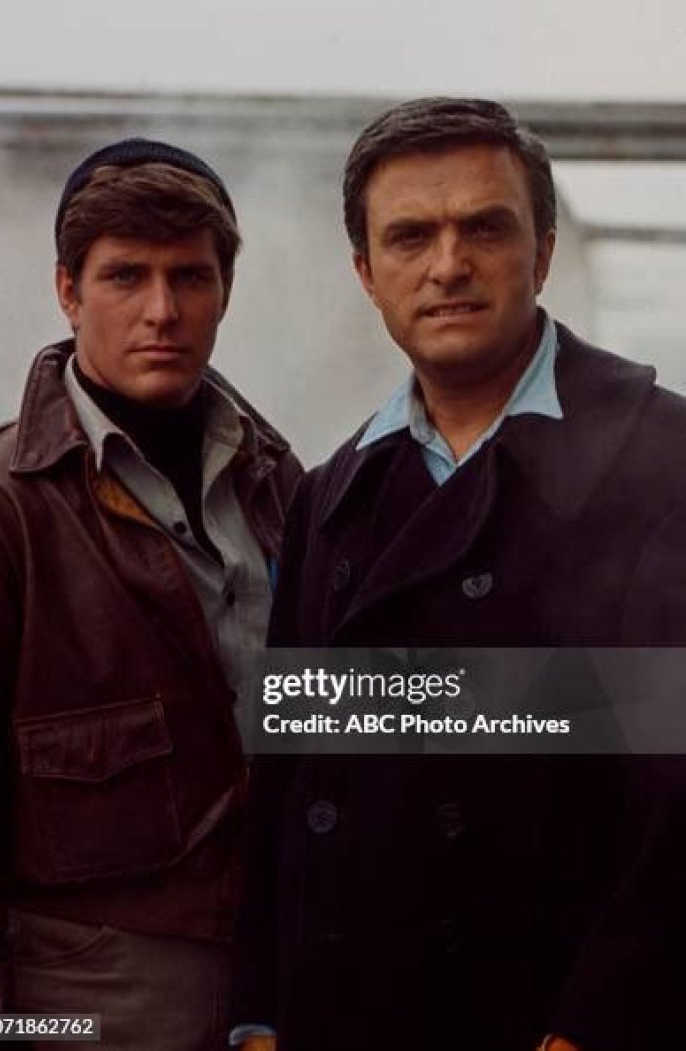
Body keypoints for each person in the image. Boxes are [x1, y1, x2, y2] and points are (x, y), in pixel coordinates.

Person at [231, 99, 686, 1051]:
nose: (448, 264)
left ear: (543, 252)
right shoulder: (330, 496)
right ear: (366, 273)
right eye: (410, 237)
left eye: (485, 227)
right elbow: (290, 783)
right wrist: (259, 1013)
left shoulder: (664, 460)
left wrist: (597, 1023)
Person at [0, 138, 300, 1049]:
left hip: (274, 984)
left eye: (190, 276)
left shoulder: (281, 481)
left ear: (225, 290)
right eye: (125, 276)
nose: (162, 310)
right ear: (68, 292)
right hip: (84, 1004)